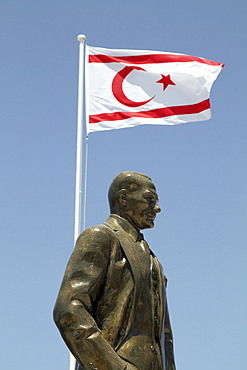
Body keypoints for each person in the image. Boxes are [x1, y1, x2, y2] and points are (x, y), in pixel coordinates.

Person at [53, 171, 176, 370]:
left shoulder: (154, 260)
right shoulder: (101, 237)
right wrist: (114, 367)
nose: (157, 208)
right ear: (124, 198)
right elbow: (69, 310)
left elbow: (164, 333)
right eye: (149, 200)